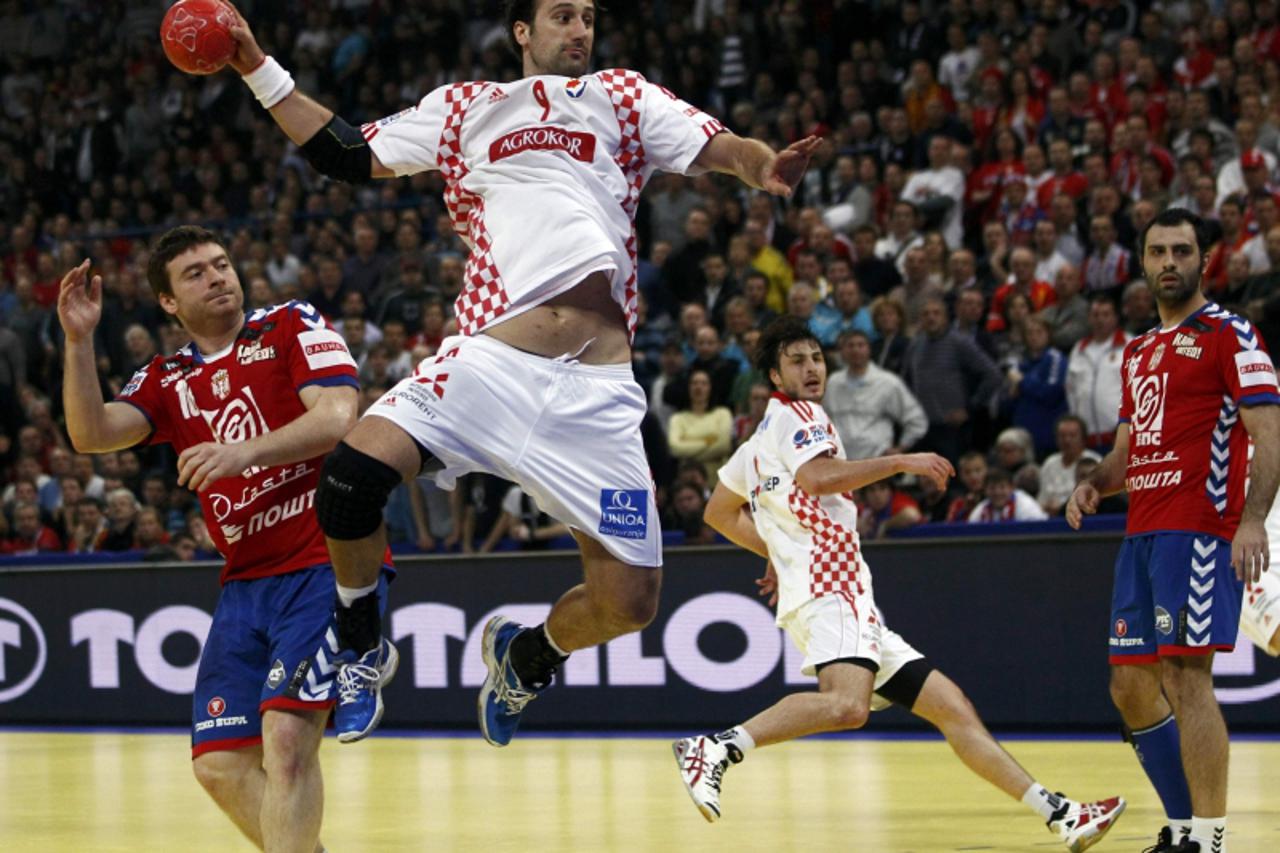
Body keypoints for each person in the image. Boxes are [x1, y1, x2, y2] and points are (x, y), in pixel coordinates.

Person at [222, 0, 819, 747]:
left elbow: (721, 148)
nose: (581, 30)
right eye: (562, 16)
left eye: (589, 17)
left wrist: (762, 166)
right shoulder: (467, 108)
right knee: (348, 480)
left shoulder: (622, 97)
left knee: (630, 602)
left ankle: (528, 655)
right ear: (522, 33)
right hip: (489, 365)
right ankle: (359, 639)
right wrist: (254, 65)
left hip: (595, 394)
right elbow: (343, 150)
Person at [673, 317, 1125, 851]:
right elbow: (818, 478)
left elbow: (718, 513)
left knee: (952, 707)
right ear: (775, 374)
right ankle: (717, 747)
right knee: (847, 705)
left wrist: (777, 551)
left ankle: (1060, 814)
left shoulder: (756, 441)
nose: (812, 368)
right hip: (831, 587)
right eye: (797, 361)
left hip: (831, 593)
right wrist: (900, 460)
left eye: (816, 358)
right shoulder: (803, 416)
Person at [56, 226, 384, 852]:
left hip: (323, 563)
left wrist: (244, 453)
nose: (216, 278)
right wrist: (77, 341)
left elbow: (339, 417)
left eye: (221, 264)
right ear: (169, 302)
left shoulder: (289, 323)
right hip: (245, 584)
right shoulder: (166, 376)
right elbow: (91, 434)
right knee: (219, 764)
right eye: (196, 273)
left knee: (286, 739)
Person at [1067, 209, 1280, 853]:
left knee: (1188, 678)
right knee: (1130, 686)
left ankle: (1208, 840)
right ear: (1141, 260)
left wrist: (1251, 520)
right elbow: (1126, 453)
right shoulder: (1137, 351)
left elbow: (1269, 434)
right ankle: (1185, 826)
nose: (1169, 262)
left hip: (1199, 530)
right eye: (1158, 251)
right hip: (1142, 532)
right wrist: (1093, 484)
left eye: (1181, 251)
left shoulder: (1230, 333)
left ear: (1203, 261)